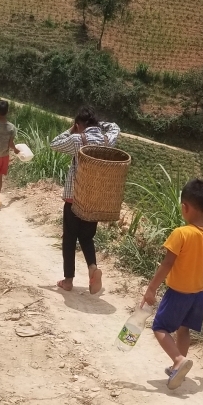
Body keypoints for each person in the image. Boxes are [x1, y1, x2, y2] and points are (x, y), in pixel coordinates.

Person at [141, 179, 203, 390]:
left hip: (178, 292)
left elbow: (167, 263)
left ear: (184, 207)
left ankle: (178, 360)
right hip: (198, 293)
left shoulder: (181, 233)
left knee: (159, 327)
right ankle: (178, 367)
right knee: (183, 329)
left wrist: (151, 288)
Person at [50, 107, 120, 294]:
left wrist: (72, 130)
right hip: (94, 200)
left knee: (69, 238)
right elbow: (115, 127)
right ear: (95, 123)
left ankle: (68, 281)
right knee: (87, 237)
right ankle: (92, 268)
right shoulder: (107, 140)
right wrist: (99, 125)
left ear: (78, 124)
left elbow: (54, 144)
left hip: (74, 198)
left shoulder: (77, 139)